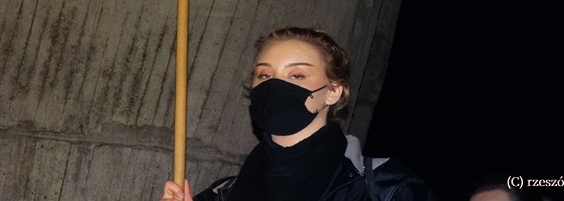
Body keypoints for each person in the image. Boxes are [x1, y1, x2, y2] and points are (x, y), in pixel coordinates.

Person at [158, 26, 434, 201]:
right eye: (264, 74)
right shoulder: (223, 194)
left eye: (297, 75)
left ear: (333, 91)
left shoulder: (386, 189)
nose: (275, 85)